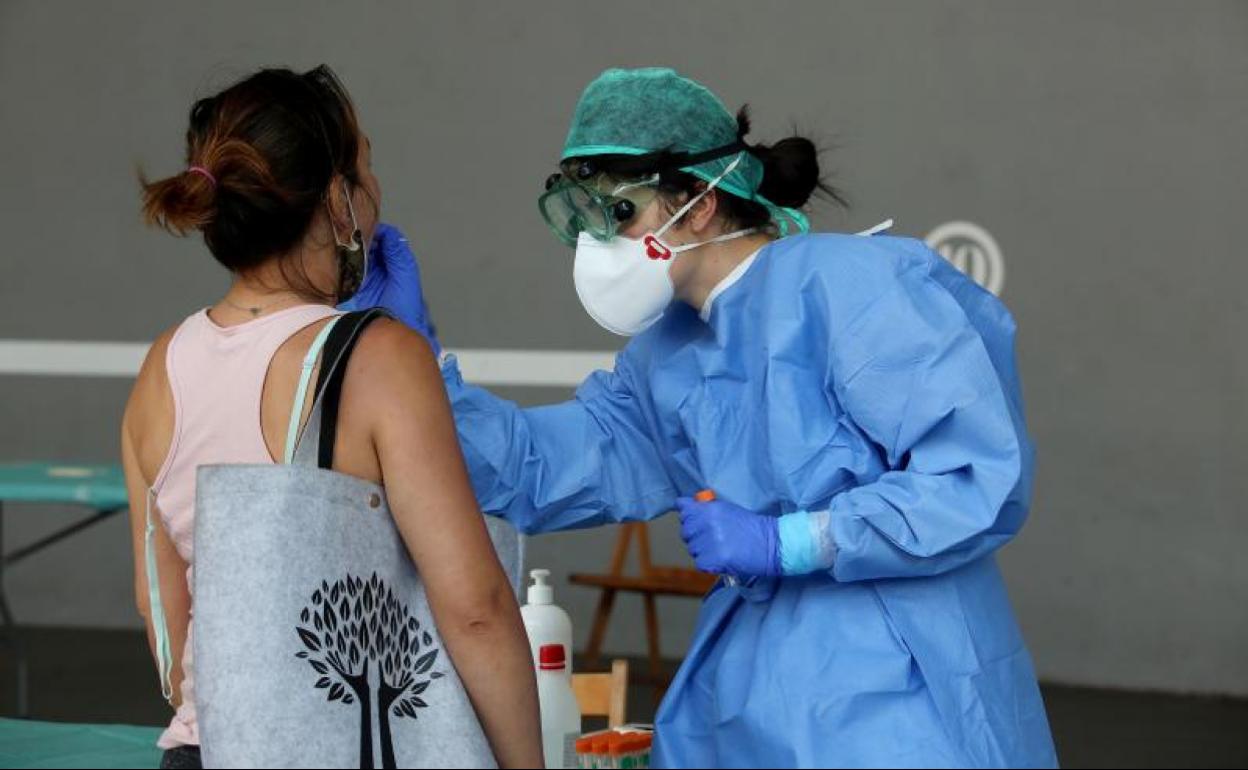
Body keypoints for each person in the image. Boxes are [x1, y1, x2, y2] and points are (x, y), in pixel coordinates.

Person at [376, 67, 1058, 768]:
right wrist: (415, 363)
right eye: (582, 219)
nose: (595, 246)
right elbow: (536, 469)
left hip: (901, 694)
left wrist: (791, 541)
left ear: (699, 202)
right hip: (750, 703)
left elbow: (976, 478)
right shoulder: (665, 359)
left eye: (617, 215)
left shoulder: (852, 287)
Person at [121, 65, 541, 770]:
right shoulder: (378, 359)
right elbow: (476, 609)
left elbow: (162, 613)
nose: (378, 196)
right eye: (366, 171)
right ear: (338, 202)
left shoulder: (159, 370)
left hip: (205, 751)